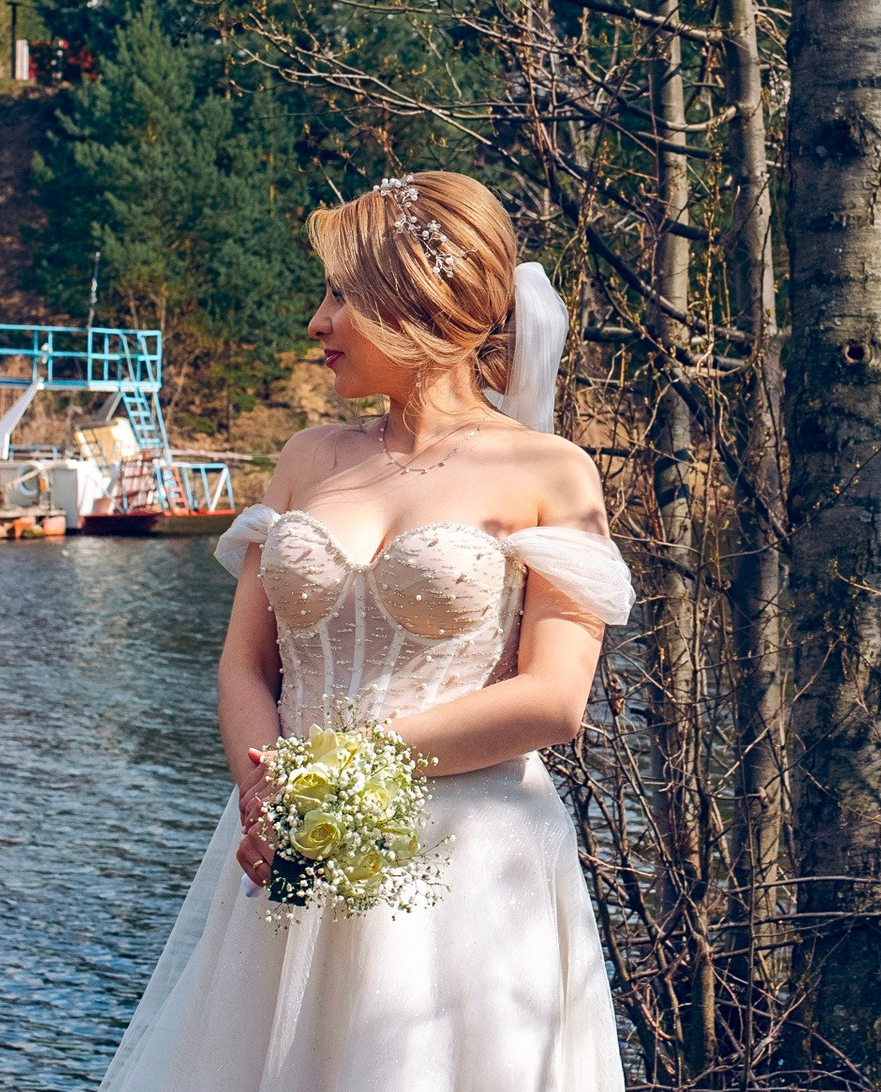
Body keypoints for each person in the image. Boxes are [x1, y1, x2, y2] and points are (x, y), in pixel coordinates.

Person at [97, 171, 633, 1092]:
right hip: (288, 848)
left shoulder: (552, 472)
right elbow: (244, 666)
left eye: (341, 294)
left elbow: (553, 700)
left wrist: (346, 773)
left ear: (415, 300)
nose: (316, 321)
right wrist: (271, 799)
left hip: (465, 870)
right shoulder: (307, 458)